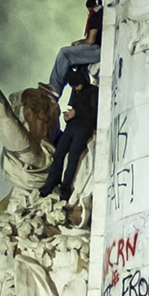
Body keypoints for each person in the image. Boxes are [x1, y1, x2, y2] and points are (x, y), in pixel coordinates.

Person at [44, 65, 98, 198]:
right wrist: (68, 116)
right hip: (71, 126)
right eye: (74, 86)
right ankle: (51, 183)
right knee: (59, 153)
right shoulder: (75, 92)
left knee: (73, 155)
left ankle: (66, 186)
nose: (76, 88)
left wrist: (77, 113)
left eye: (77, 85)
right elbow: (73, 108)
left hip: (84, 128)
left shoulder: (93, 91)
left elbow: (95, 113)